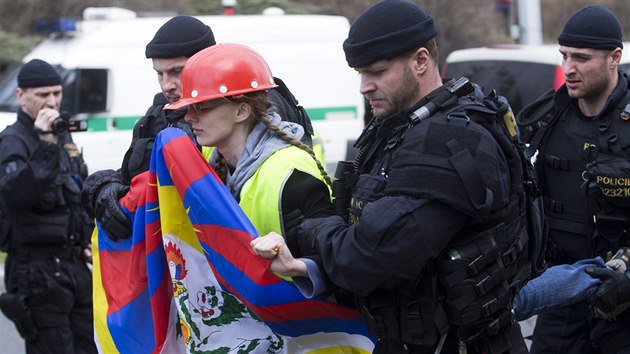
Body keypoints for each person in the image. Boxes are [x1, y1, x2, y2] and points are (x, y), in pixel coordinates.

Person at [251, 1, 531, 353]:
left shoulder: (450, 139)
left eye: (377, 71)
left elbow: (371, 258)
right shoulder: (399, 129)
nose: (364, 87)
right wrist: (310, 264)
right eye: (360, 73)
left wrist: (310, 230)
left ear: (420, 61)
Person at [81, 15, 317, 242]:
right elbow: (136, 179)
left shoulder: (260, 103)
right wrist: (104, 189)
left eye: (176, 71)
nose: (167, 85)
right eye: (159, 74)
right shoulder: (160, 113)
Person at [516, 5, 630, 353]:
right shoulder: (544, 121)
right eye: (564, 55)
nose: (569, 68)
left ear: (614, 57)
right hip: (561, 297)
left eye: (581, 58)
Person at [165, 42, 334, 269]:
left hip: (291, 303)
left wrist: (300, 265)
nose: (189, 117)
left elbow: (334, 262)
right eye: (188, 107)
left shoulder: (290, 173)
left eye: (202, 107)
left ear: (242, 111)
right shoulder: (204, 159)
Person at [0, 59, 96, 354]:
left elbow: (75, 193)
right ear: (21, 96)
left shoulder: (62, 134)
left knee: (87, 347)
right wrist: (44, 143)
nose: (52, 101)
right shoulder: (12, 142)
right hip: (36, 270)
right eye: (43, 94)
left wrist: (86, 240)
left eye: (56, 93)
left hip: (74, 265)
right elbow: (15, 196)